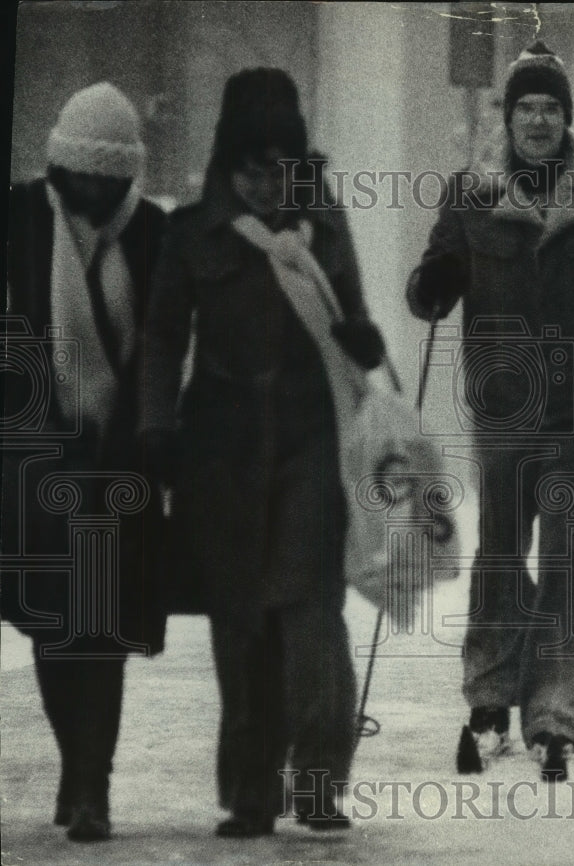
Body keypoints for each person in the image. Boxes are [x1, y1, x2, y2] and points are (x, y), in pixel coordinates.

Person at [406, 41, 574, 782]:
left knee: (564, 554)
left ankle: (557, 713)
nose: (537, 119)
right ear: (508, 115)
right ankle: (492, 697)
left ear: (567, 118)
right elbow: (435, 279)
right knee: (500, 548)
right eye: (525, 106)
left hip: (573, 404)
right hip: (500, 401)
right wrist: (431, 284)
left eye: (550, 108)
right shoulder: (470, 192)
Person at [140, 68, 384, 836]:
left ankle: (318, 785)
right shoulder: (191, 233)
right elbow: (160, 340)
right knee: (241, 624)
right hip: (221, 453)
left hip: (312, 445)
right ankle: (252, 791)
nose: (266, 184)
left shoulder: (326, 224)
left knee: (309, 616)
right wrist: (155, 430)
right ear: (226, 162)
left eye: (282, 165)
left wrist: (364, 342)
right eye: (252, 166)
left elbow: (357, 323)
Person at [2, 82, 167, 841]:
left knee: (98, 632)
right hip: (38, 458)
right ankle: (75, 769)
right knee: (52, 627)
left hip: (119, 464)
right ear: (63, 167)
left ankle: (92, 786)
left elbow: (168, 348)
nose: (99, 191)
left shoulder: (153, 234)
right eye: (87, 175)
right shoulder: (22, 221)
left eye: (114, 177)